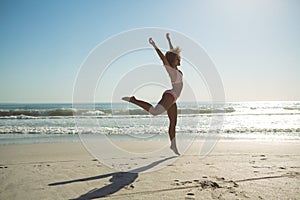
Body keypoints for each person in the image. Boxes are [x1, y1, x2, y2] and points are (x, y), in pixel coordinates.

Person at [122, 33, 183, 155]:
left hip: (174, 98)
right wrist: (154, 45)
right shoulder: (171, 70)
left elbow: (171, 53)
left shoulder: (177, 69)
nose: (179, 59)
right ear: (173, 60)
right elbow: (163, 58)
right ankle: (134, 100)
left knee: (173, 123)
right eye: (176, 58)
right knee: (154, 112)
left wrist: (169, 40)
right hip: (170, 95)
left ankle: (173, 146)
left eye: (178, 57)